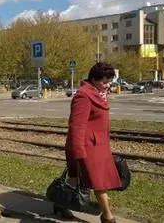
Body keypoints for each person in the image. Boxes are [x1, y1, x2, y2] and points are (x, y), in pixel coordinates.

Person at [61, 62, 121, 223]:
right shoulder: (83, 95)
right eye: (104, 82)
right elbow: (76, 126)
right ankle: (108, 216)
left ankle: (60, 203)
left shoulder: (99, 93)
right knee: (98, 182)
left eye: (109, 81)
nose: (107, 85)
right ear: (94, 79)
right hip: (87, 146)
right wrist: (78, 153)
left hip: (99, 145)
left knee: (75, 180)